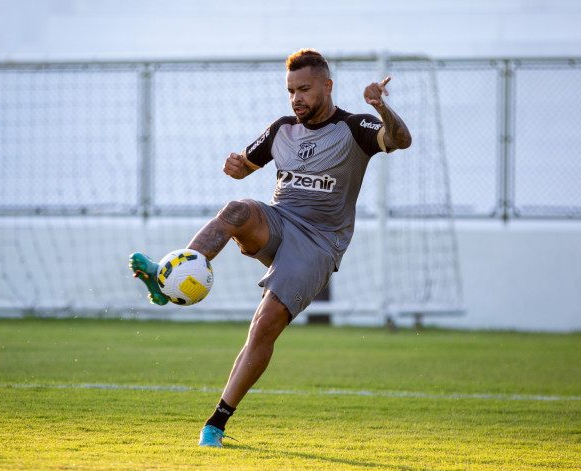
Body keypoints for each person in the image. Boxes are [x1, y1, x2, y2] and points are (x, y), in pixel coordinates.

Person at [130, 49, 411, 447]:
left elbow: (401, 140)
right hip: (278, 223)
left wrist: (381, 107)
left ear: (327, 86)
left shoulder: (355, 126)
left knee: (263, 327)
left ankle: (216, 424)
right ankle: (168, 276)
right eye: (291, 90)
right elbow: (246, 164)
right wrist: (237, 166)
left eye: (305, 89)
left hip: (318, 242)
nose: (296, 98)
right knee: (237, 210)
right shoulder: (281, 129)